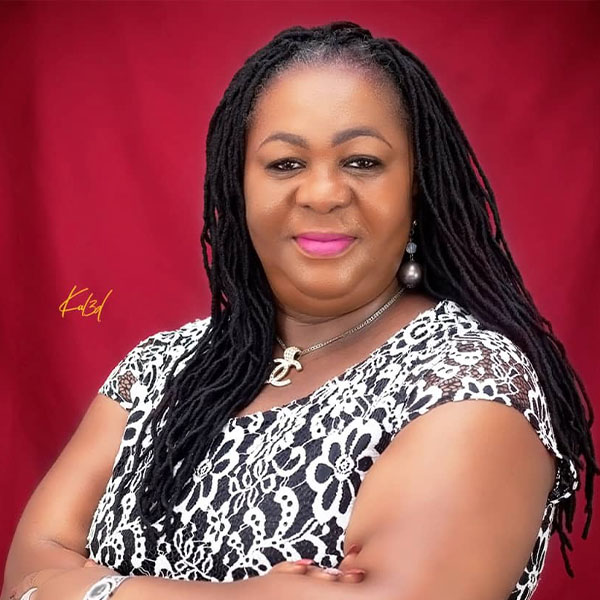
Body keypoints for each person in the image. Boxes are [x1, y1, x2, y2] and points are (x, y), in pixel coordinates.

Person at [2, 20, 597, 600]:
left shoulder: (469, 383)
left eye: (362, 161)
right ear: (238, 188)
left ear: (417, 185)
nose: (322, 194)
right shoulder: (160, 368)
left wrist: (78, 589)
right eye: (285, 163)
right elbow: (26, 570)